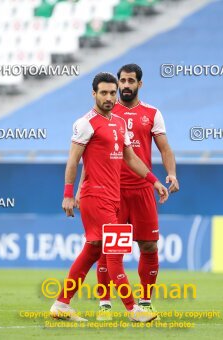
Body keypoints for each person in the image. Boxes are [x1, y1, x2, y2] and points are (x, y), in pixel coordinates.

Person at [49, 72, 169, 322]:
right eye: (103, 93)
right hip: (95, 196)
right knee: (114, 251)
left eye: (112, 93)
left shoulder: (118, 123)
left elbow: (131, 158)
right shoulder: (85, 123)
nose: (109, 97)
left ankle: (61, 303)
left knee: (93, 250)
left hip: (113, 198)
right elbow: (72, 161)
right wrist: (68, 194)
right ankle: (132, 309)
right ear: (93, 94)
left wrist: (154, 181)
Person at [76, 64, 178, 320]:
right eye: (122, 81)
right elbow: (85, 158)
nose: (125, 86)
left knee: (149, 245)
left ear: (140, 84)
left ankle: (144, 302)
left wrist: (170, 175)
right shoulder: (105, 113)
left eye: (131, 81)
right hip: (113, 191)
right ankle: (105, 304)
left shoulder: (152, 113)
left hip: (143, 189)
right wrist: (78, 189)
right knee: (108, 248)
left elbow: (164, 148)